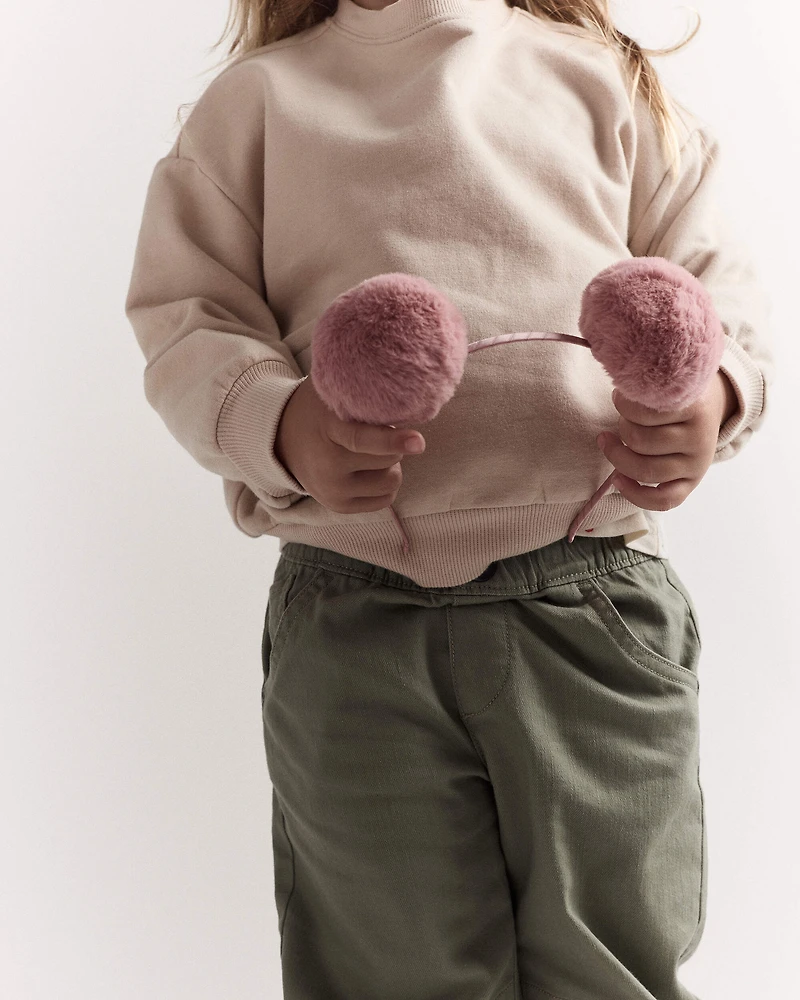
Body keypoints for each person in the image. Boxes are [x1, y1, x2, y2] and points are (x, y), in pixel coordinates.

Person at [125, 1, 775, 997]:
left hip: (592, 604)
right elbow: (187, 320)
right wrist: (281, 422)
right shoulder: (253, 104)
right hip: (354, 618)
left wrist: (709, 393)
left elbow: (709, 284)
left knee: (610, 967)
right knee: (389, 972)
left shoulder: (600, 80)